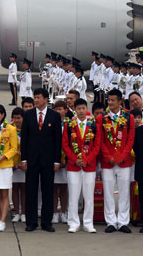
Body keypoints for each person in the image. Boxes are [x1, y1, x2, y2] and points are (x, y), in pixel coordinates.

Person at [21, 88, 62, 232]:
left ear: (45, 99)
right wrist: (24, 159)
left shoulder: (54, 116)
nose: (36, 100)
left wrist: (57, 161)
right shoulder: (28, 115)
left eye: (38, 97)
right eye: (35, 97)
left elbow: (58, 140)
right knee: (31, 190)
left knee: (48, 191)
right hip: (31, 159)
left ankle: (46, 222)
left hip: (48, 160)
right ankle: (31, 222)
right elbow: (24, 139)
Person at [96, 89, 135, 234]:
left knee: (124, 192)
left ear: (120, 102)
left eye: (113, 100)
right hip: (108, 162)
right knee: (108, 192)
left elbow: (130, 139)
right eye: (109, 100)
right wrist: (108, 157)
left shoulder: (128, 117)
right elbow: (100, 141)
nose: (110, 103)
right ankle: (111, 221)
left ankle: (123, 221)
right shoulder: (101, 118)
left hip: (124, 161)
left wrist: (122, 156)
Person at [62, 98, 100, 233]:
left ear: (86, 109)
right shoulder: (69, 125)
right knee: (73, 194)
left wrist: (88, 160)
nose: (81, 111)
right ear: (75, 110)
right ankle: (73, 222)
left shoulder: (93, 125)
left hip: (89, 165)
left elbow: (96, 146)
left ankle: (88, 223)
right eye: (79, 109)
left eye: (83, 108)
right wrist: (74, 159)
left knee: (88, 195)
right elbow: (65, 145)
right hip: (74, 165)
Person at [52, 100, 69, 224]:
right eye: (56, 109)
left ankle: (64, 212)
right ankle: (53, 213)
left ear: (66, 110)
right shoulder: (52, 123)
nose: (58, 112)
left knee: (64, 188)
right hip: (54, 161)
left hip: (67, 161)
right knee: (54, 188)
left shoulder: (70, 124)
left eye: (60, 109)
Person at [11, 107, 26, 223]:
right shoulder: (10, 130)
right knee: (15, 188)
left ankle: (24, 212)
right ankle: (17, 212)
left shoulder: (27, 129)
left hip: (25, 163)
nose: (17, 120)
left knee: (24, 188)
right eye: (15, 118)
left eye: (19, 118)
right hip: (14, 164)